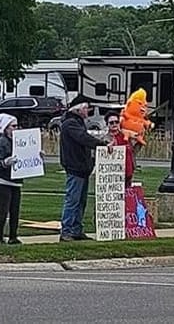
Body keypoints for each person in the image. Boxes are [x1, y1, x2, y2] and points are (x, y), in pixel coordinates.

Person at [59, 95, 109, 241]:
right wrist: (102, 144)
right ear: (78, 109)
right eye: (86, 108)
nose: (88, 110)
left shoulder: (78, 123)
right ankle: (67, 231)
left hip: (82, 168)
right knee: (72, 200)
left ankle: (76, 229)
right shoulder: (70, 124)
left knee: (81, 201)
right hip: (75, 167)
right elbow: (83, 138)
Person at [0, 114, 23, 245]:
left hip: (16, 180)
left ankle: (13, 236)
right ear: (6, 128)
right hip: (1, 180)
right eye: (13, 126)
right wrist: (5, 162)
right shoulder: (0, 143)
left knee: (15, 210)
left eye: (17, 126)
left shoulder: (20, 141)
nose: (16, 128)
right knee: (3, 210)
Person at [108, 113, 136, 187]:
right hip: (112, 174)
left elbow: (134, 149)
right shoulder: (105, 139)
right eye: (111, 123)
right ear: (107, 124)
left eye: (116, 122)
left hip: (128, 173)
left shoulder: (126, 135)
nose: (114, 124)